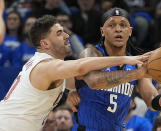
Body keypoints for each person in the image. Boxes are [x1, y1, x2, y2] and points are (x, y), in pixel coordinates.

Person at [0, 15, 151, 131]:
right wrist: (125, 59)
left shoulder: (48, 67)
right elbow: (80, 67)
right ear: (45, 43)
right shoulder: (45, 66)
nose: (66, 36)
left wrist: (76, 93)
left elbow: (83, 81)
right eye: (59, 33)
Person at [69, 7, 161, 131]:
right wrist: (137, 74)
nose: (118, 29)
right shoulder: (90, 53)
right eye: (111, 25)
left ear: (130, 31)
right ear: (102, 31)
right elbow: (94, 82)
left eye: (123, 25)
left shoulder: (137, 64)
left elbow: (152, 101)